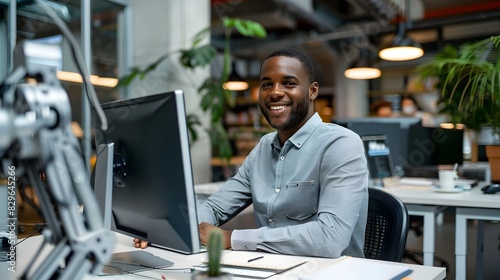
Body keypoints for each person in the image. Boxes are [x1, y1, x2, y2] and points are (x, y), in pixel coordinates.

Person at [135, 48, 369, 258]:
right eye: (266, 84)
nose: (275, 93)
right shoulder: (263, 148)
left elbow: (330, 238)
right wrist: (169, 228)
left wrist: (231, 239)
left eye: (289, 83)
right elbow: (216, 207)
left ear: (312, 91)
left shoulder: (341, 144)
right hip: (268, 269)